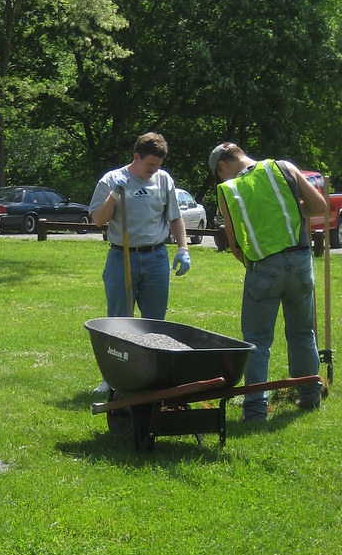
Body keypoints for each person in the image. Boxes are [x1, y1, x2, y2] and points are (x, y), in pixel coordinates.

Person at [208, 142, 326, 421]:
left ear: (223, 166)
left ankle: (255, 410)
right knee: (302, 334)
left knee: (257, 341)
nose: (221, 179)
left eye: (218, 174)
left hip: (262, 267)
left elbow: (235, 244)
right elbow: (319, 207)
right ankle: (310, 398)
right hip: (300, 261)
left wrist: (254, 264)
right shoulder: (283, 167)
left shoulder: (228, 189)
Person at [89, 132, 190, 392]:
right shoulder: (111, 180)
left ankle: (152, 375)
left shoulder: (164, 179)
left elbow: (175, 217)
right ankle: (113, 377)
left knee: (156, 323)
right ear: (136, 157)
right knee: (120, 321)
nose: (154, 170)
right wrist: (114, 195)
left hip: (156, 257)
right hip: (122, 256)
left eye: (157, 165)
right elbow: (98, 219)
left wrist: (182, 248)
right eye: (150, 165)